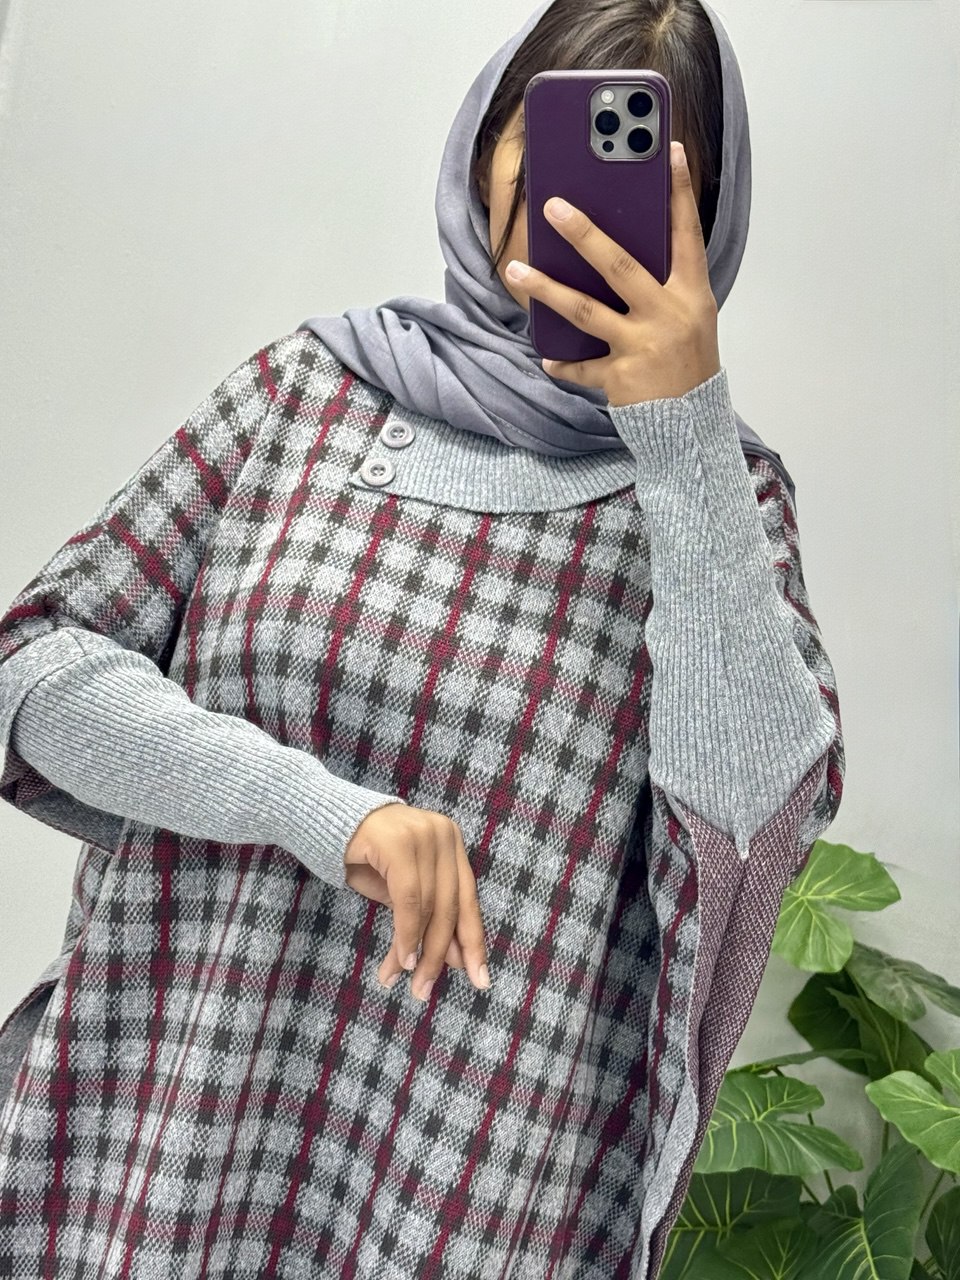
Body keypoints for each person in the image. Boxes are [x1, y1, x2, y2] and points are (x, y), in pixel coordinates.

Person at [0, 0, 844, 1275]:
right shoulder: (307, 394)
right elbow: (33, 669)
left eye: (646, 174)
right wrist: (315, 808)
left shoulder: (721, 505)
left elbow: (751, 830)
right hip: (158, 1156)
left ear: (705, 219)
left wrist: (684, 435)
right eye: (548, 141)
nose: (581, 208)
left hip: (466, 1210)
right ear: (485, 144)